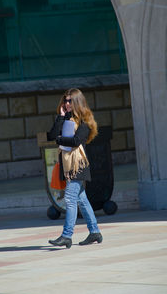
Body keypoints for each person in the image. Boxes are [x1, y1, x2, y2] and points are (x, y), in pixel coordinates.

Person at [47, 88, 103, 248]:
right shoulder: (66, 119)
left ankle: (67, 235)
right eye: (65, 100)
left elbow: (76, 141)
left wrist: (59, 139)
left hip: (78, 164)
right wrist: (61, 116)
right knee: (81, 199)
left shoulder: (84, 121)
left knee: (70, 199)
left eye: (70, 100)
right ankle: (94, 232)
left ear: (77, 102)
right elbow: (51, 135)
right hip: (66, 164)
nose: (66, 103)